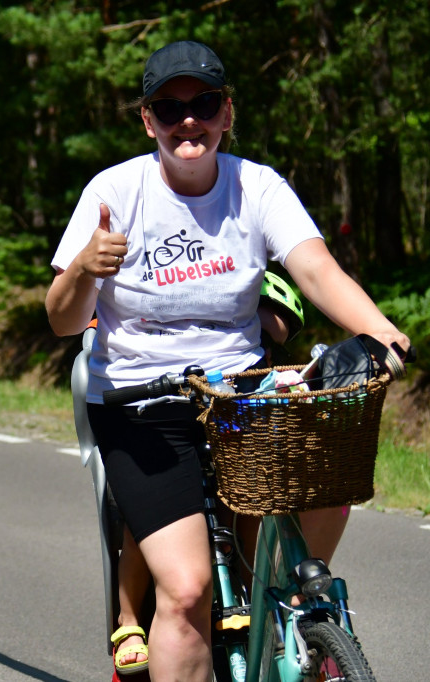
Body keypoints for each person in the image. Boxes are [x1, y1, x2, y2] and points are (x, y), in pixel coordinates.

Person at [45, 41, 409, 681]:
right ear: (148, 120)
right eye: (170, 107)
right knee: (186, 592)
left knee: (320, 498)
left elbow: (317, 271)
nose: (189, 121)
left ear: (227, 113)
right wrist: (85, 268)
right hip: (142, 404)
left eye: (204, 103)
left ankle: (295, 627)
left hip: (238, 398)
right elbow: (64, 320)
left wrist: (382, 333)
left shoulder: (257, 186)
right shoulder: (114, 191)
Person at [107, 271, 304, 677]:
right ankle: (128, 622)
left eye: (268, 346)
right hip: (170, 420)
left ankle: (255, 595)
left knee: (255, 503)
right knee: (146, 520)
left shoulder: (261, 368)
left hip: (234, 435)